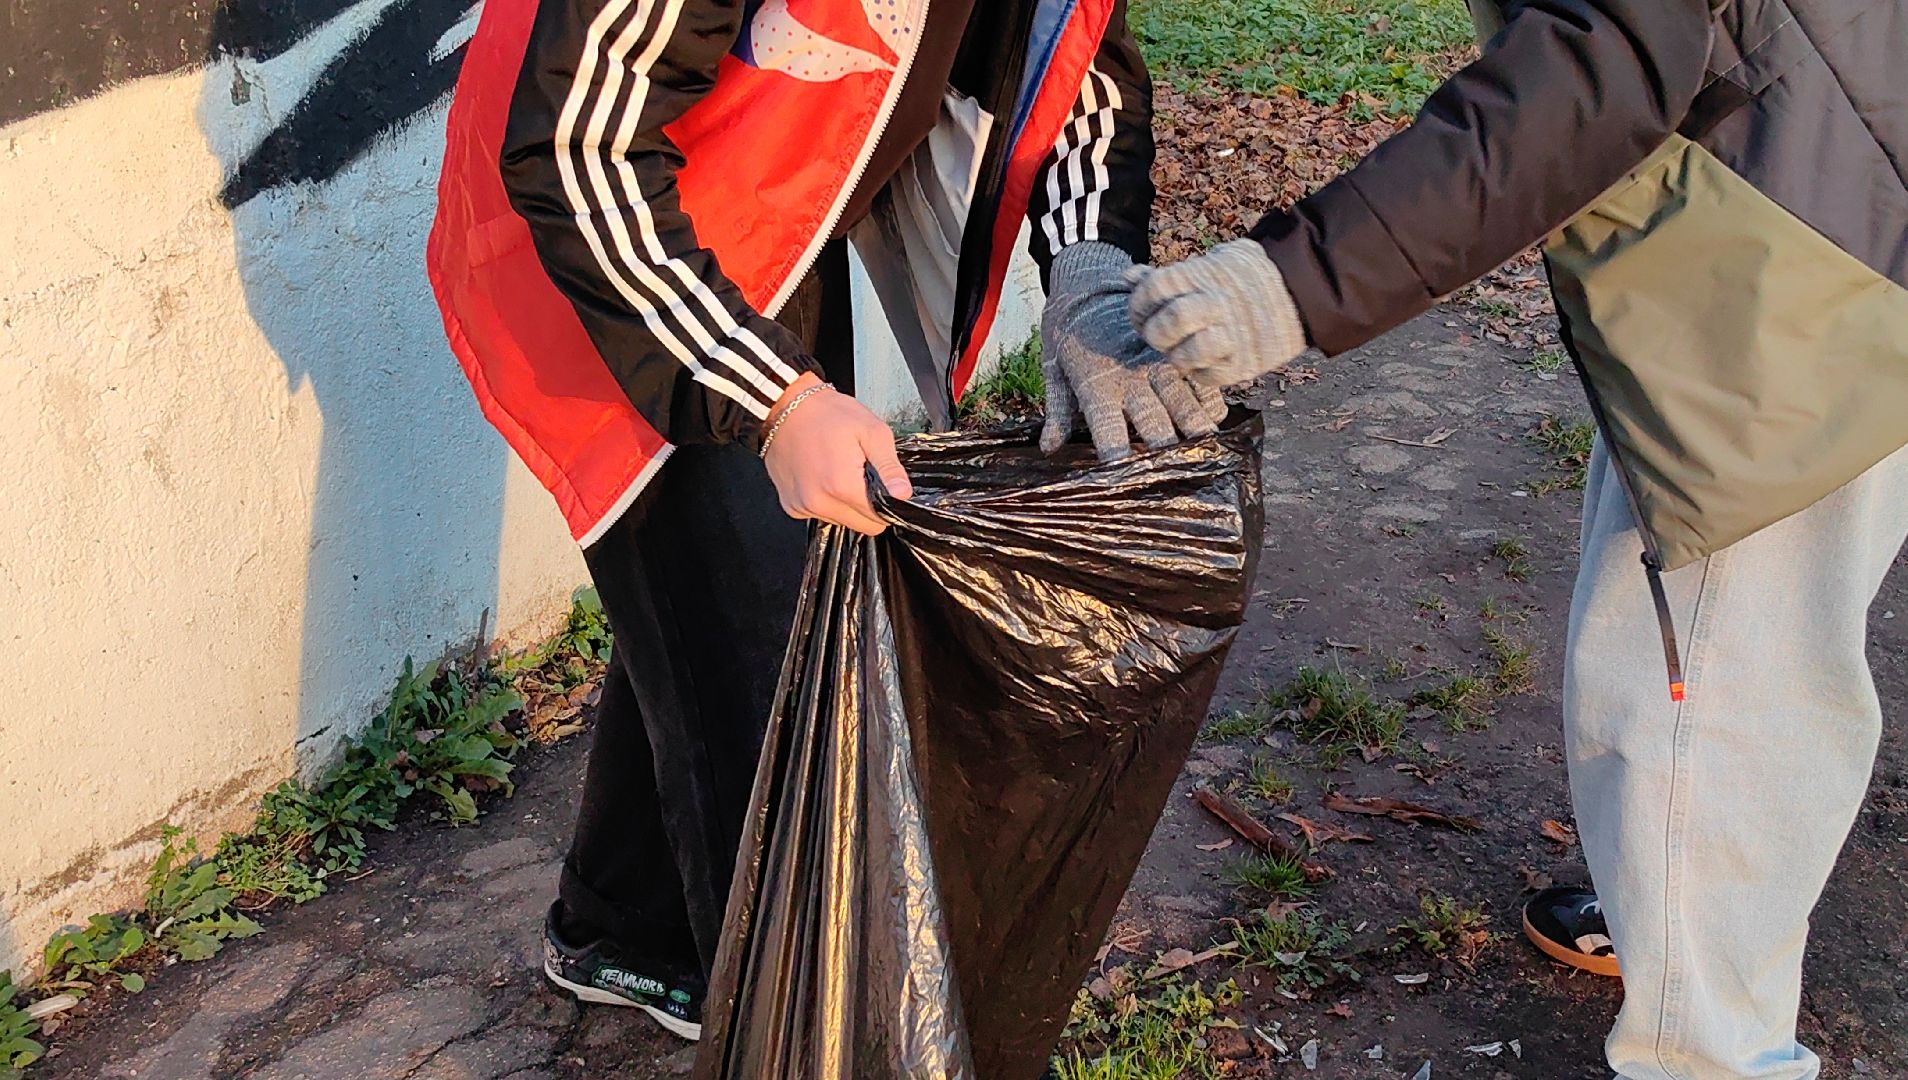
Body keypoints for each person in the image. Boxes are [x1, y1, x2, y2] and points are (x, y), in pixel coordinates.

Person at [1124, 0, 1908, 1077]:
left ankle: (1715, 1049)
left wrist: (1297, 280)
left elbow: (1603, 60)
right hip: (1808, 187)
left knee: (1709, 689)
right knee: (1712, 646)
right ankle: (1675, 931)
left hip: (1814, 246)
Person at [427, 0, 1221, 1041]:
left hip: (775, 207)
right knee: (786, 700)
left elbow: (1066, 52)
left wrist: (1089, 271)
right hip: (611, 246)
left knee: (749, 602)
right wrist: (775, 402)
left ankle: (625, 932)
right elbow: (575, 148)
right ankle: (803, 1035)